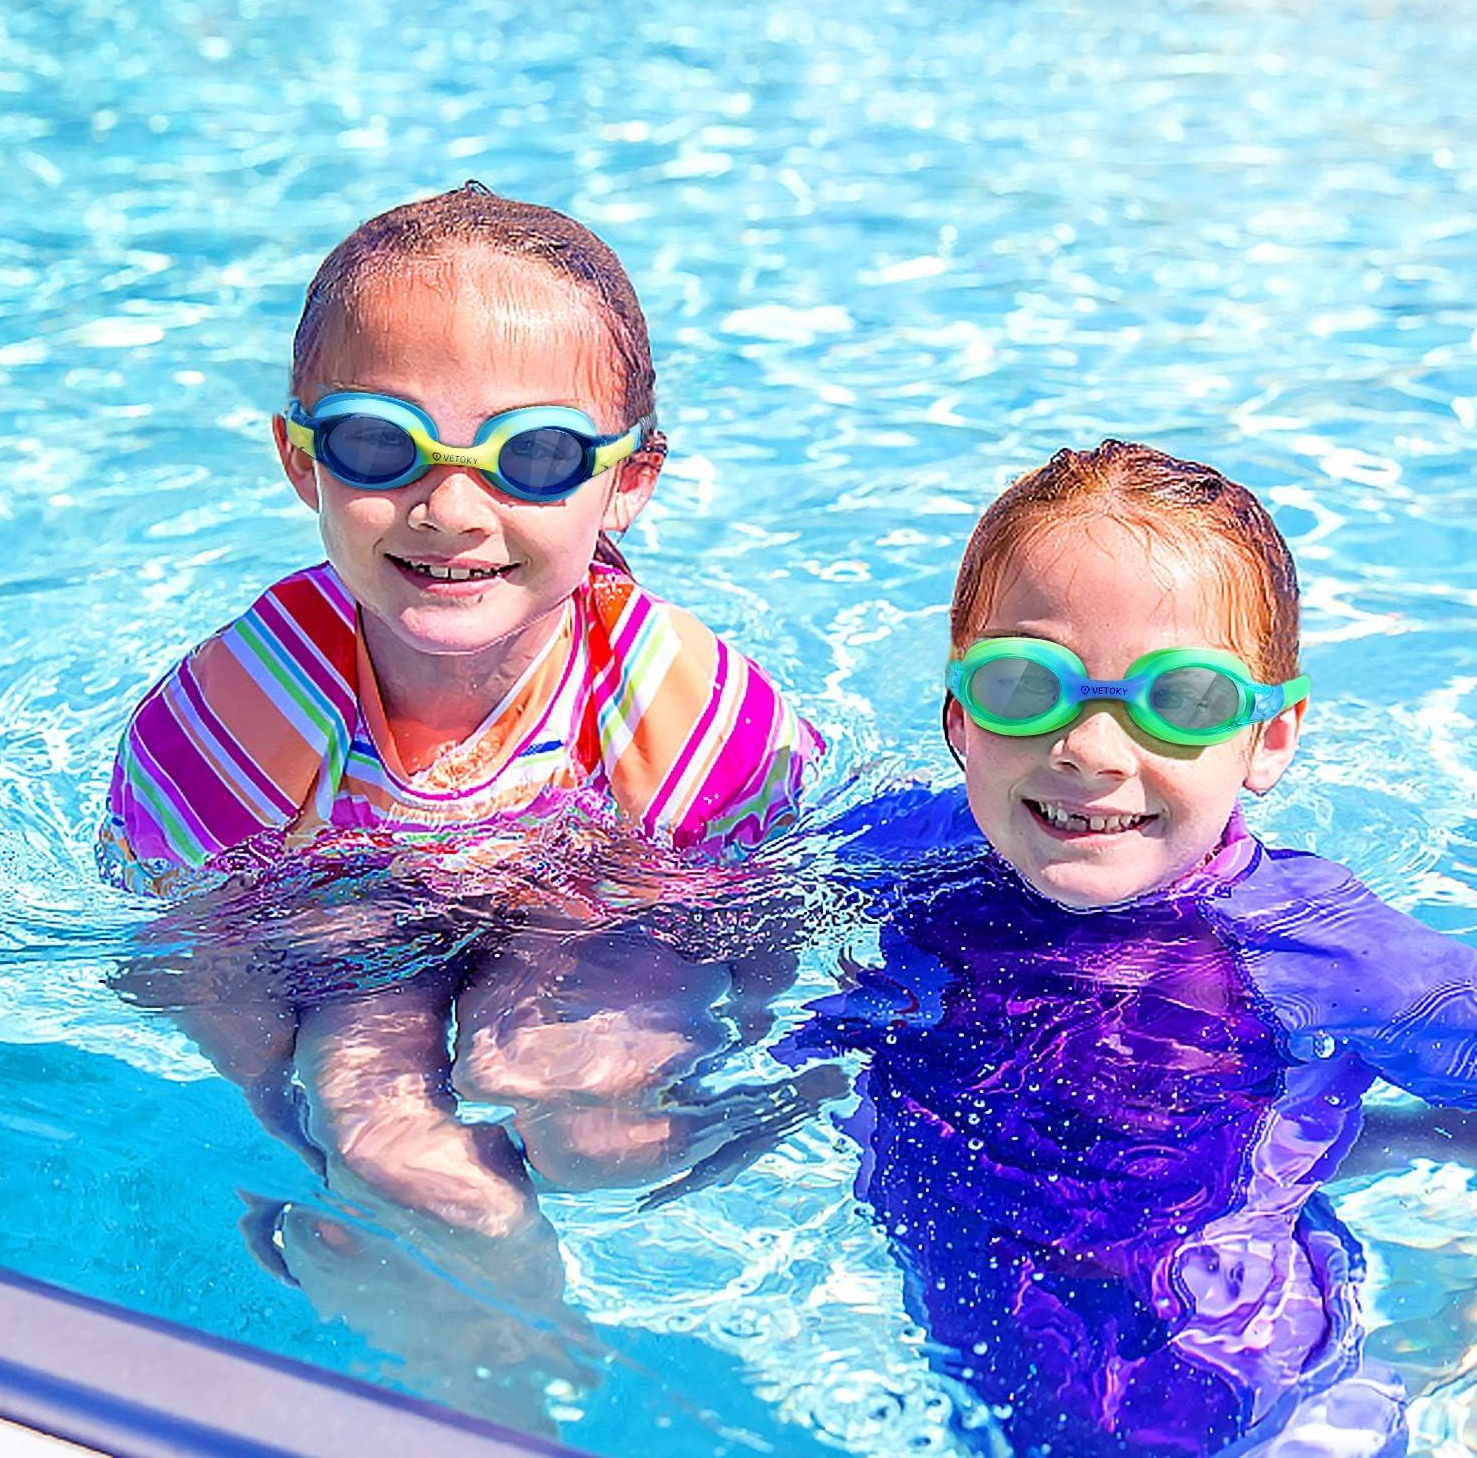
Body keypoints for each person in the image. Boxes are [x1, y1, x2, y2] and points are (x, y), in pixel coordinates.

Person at [98, 186, 822, 1235]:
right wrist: (280, 1131)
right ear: (301, 460)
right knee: (380, 1140)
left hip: (589, 923)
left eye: (533, 456)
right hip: (350, 942)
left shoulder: (682, 705)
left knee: (589, 1135)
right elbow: (191, 956)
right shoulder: (248, 706)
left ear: (630, 484)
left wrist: (761, 1048)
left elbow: (768, 923)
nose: (449, 508)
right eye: (380, 446)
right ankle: (488, 1355)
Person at [785, 440, 1476, 1456]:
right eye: (1027, 684)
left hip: (1237, 1390)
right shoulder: (900, 856)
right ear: (957, 717)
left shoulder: (1311, 947)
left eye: (1179, 701)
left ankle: (1423, 1356)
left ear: (1269, 740)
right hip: (969, 1343)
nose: (1090, 749)